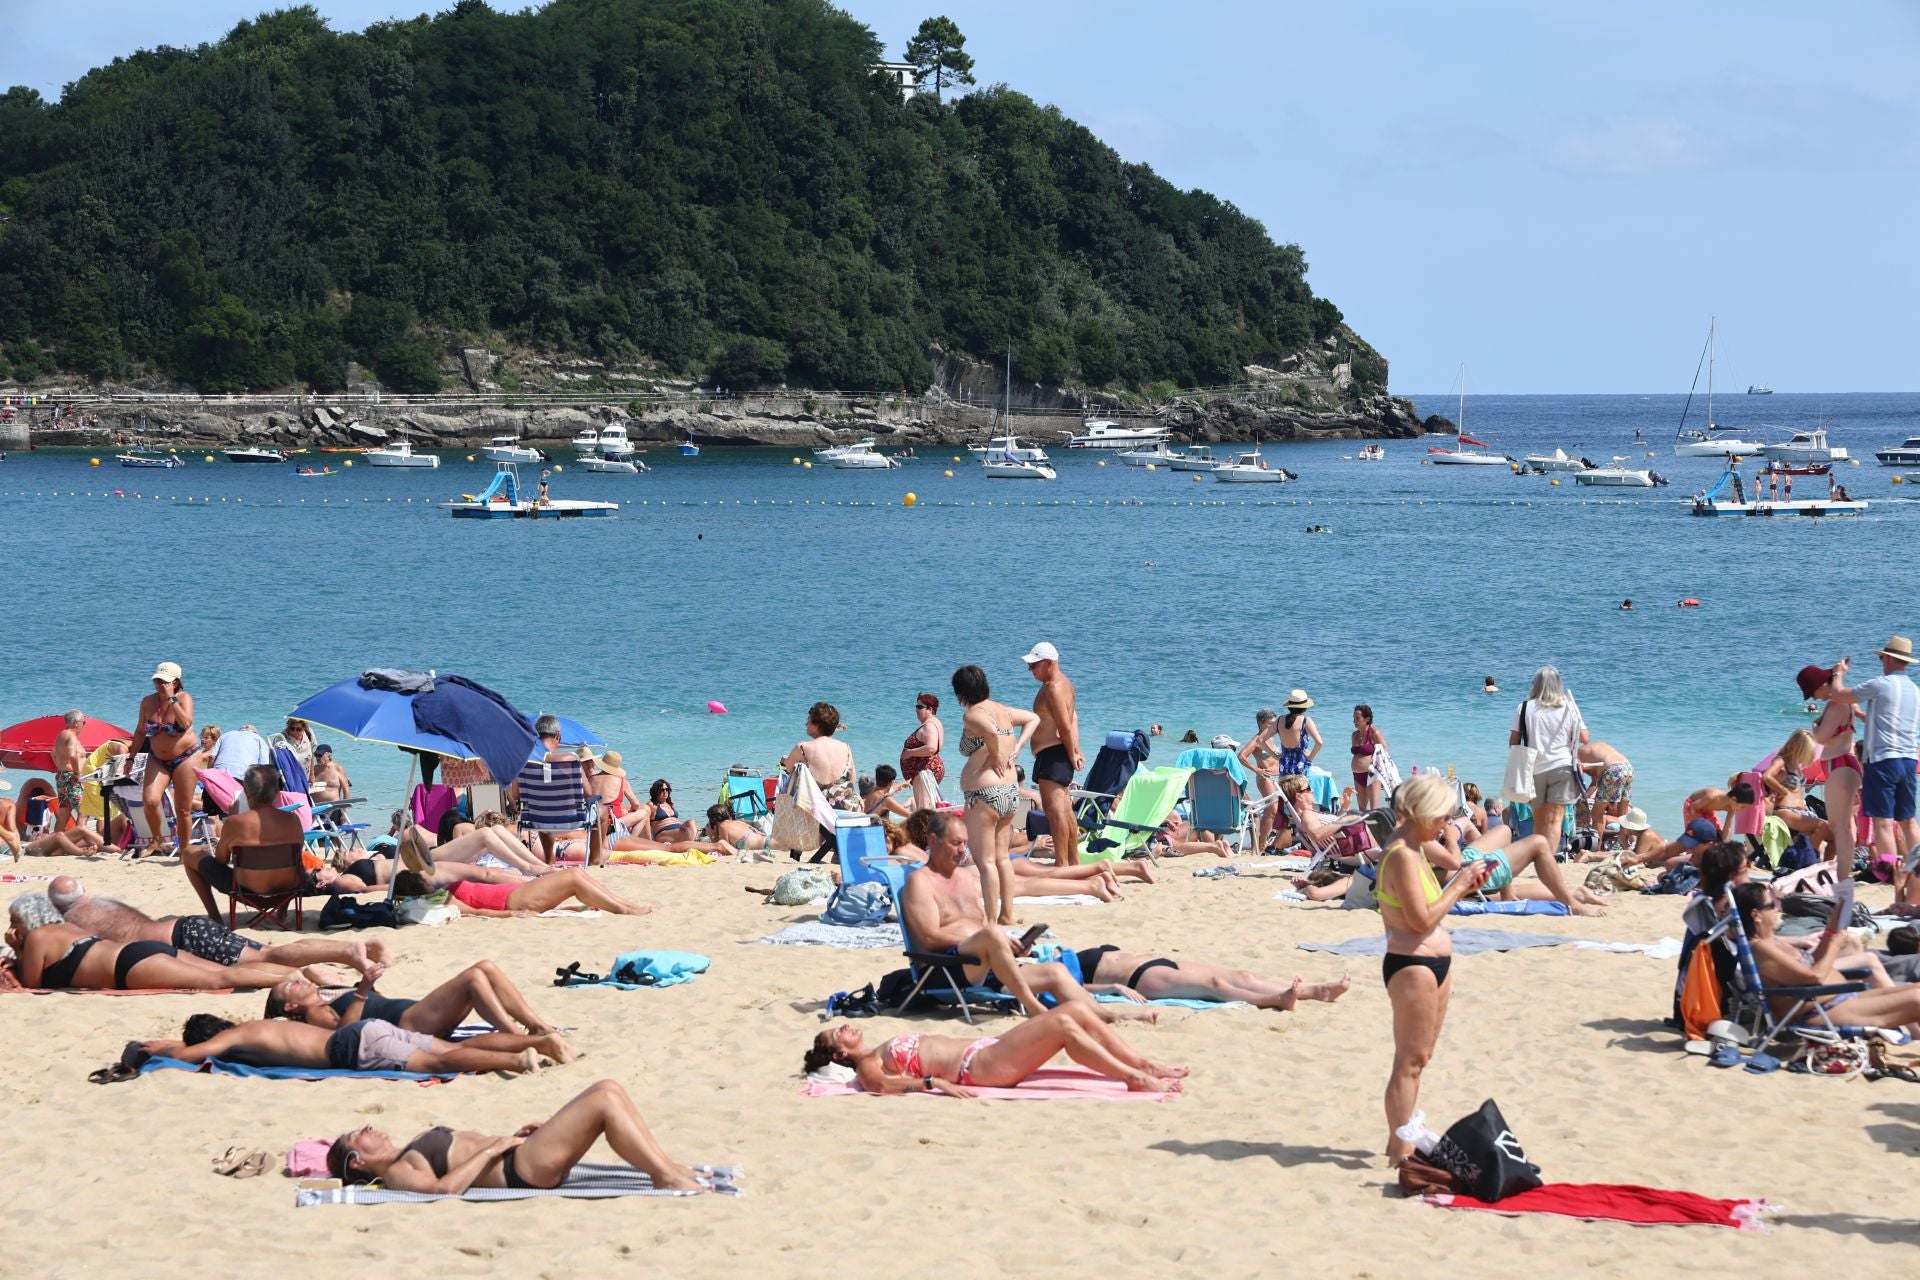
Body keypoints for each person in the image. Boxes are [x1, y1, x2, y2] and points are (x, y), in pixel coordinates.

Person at [898, 810, 1147, 1021]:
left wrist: (1009, 946)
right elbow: (929, 938)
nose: (962, 850)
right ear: (933, 841)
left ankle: (1107, 1016)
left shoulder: (964, 877)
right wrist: (989, 940)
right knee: (993, 934)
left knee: (1056, 971)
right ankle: (1035, 1008)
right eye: (956, 843)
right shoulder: (920, 882)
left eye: (965, 843)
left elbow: (983, 924)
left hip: (988, 965)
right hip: (945, 969)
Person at [1376, 773, 1497, 1166]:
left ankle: (1402, 1141)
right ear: (1424, 813)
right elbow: (1421, 920)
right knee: (1408, 1062)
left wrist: (1467, 879)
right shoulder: (1401, 854)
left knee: (1420, 1058)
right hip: (1413, 965)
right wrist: (1460, 885)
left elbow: (1442, 878)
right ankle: (1400, 1149)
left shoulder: (1415, 845)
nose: (1446, 826)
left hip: (1431, 963)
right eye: (1443, 818)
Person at [328, 1079, 707, 1193]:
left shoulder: (409, 1152)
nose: (368, 1128)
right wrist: (493, 1149)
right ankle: (664, 1176)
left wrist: (508, 1138)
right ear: (356, 1162)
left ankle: (668, 1167)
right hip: (519, 1169)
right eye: (357, 1134)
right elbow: (444, 1190)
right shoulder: (397, 1173)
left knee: (609, 1088)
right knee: (604, 1101)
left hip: (517, 1153)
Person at [805, 1006, 1186, 1096]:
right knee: (1063, 1027)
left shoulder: (879, 1048)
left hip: (986, 1049)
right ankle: (1132, 1078)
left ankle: (1144, 1063)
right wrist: (934, 1083)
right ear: (839, 1055)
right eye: (837, 1034)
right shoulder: (869, 1066)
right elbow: (883, 1086)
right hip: (978, 1067)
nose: (844, 1026)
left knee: (1074, 1010)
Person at [49, 874, 382, 973]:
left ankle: (346, 952)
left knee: (267, 955)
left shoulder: (73, 922)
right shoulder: (102, 904)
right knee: (264, 957)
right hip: (185, 928)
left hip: (185, 940)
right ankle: (325, 964)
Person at [5, 893, 298, 991]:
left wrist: (18, 947)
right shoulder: (66, 927)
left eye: (14, 921)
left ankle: (292, 979)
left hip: (129, 967)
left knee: (218, 980)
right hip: (137, 953)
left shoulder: (38, 938)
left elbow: (31, 984)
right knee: (224, 972)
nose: (11, 928)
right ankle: (299, 975)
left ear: (26, 921)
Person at [1734, 882, 1920, 1030]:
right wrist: (1834, 946)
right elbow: (1814, 977)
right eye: (1771, 905)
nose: (1777, 909)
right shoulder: (1761, 948)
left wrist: (1831, 928)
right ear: (1756, 915)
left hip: (1838, 999)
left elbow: (1813, 961)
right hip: (1820, 1011)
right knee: (1916, 999)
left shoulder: (1773, 941)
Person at [141, 1013, 569, 1076]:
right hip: (366, 1029)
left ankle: (519, 1059)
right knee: (447, 1046)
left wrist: (150, 1051)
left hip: (352, 1050)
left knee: (439, 1063)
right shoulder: (258, 1024)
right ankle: (542, 1042)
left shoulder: (232, 1039)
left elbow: (188, 1055)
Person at [1825, 636, 1919, 881]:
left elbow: (1837, 694)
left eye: (1882, 658)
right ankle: (1917, 871)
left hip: (1883, 761)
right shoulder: (1914, 690)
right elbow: (1889, 722)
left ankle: (1892, 876)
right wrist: (1860, 714)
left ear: (1887, 658)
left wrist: (1838, 673)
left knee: (1883, 822)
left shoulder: (1881, 684)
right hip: (1909, 760)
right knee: (1908, 821)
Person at [953, 664, 1039, 925]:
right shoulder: (1003, 710)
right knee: (1002, 858)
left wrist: (995, 754)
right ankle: (1006, 914)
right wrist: (1017, 747)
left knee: (986, 862)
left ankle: (990, 920)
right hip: (1009, 791)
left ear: (961, 691)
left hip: (984, 795)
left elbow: (989, 731)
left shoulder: (973, 714)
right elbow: (1033, 719)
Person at [266, 961, 559, 1037]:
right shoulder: (314, 1013)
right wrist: (363, 990)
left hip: (415, 1013)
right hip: (411, 1025)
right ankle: (515, 1037)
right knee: (473, 978)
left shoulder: (325, 994)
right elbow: (344, 1035)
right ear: (291, 1006)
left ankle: (536, 1026)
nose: (298, 981)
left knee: (485, 968)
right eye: (290, 987)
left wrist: (367, 985)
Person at [184, 764, 304, 917]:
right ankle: (282, 912)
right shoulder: (292, 820)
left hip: (246, 892)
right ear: (277, 791)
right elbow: (297, 858)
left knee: (188, 852)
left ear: (246, 791)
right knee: (290, 861)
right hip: (285, 892)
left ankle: (215, 916)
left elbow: (221, 860)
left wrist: (232, 817)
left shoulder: (235, 823)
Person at [1509, 666, 1586, 857]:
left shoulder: (1524, 707)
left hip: (1534, 769)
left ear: (1536, 684)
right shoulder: (1569, 707)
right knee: (1555, 820)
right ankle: (1548, 859)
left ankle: (1539, 858)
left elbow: (1513, 743)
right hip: (1562, 767)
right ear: (1559, 685)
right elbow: (1585, 737)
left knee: (1539, 821)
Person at [129, 661, 200, 855]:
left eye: (164, 681)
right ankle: (155, 840)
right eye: (157, 680)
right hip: (157, 758)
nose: (160, 684)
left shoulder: (184, 698)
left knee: (183, 809)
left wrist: (172, 699)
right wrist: (130, 758)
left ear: (175, 683)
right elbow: (140, 731)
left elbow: (185, 723)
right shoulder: (147, 702)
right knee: (150, 800)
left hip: (186, 758)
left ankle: (184, 850)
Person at [1025, 642, 1083, 867]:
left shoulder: (1054, 688)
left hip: (1054, 755)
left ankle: (1062, 865)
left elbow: (1065, 726)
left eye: (1034, 665)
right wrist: (1074, 749)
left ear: (1049, 663)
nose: (1030, 670)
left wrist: (1072, 753)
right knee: (1065, 812)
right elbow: (1073, 718)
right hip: (1055, 754)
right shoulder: (1062, 684)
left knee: (1056, 813)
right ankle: (1072, 864)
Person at [1800, 661, 1862, 872]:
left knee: (1838, 827)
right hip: (1844, 764)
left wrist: (1815, 725)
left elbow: (1820, 737)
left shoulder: (1836, 705)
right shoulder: (1841, 702)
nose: (1815, 698)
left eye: (1813, 693)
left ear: (1821, 685)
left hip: (1840, 764)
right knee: (1846, 824)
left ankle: (1842, 873)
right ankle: (1845, 868)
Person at [393, 867, 652, 917]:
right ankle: (624, 909)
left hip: (517, 892)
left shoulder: (441, 891)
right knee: (573, 876)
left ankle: (625, 905)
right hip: (514, 901)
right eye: (420, 878)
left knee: (578, 874)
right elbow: (475, 912)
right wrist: (511, 915)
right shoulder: (442, 898)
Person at [780, 702, 857, 863]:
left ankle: (796, 853)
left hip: (817, 812)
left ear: (817, 725)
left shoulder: (803, 747)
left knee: (794, 786)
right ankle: (838, 850)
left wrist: (785, 759)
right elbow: (852, 779)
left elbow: (788, 768)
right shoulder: (846, 747)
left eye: (808, 721)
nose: (805, 724)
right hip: (848, 808)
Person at [1760, 729, 1833, 857]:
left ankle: (1815, 862)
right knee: (1824, 826)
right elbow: (1766, 776)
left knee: (1834, 833)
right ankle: (1805, 860)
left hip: (1802, 812)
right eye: (1809, 750)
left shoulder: (1795, 765)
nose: (1810, 753)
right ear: (1800, 747)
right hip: (1786, 811)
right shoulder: (1781, 761)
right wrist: (1782, 790)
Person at [1237, 709, 1281, 854]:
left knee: (1275, 811)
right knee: (1272, 809)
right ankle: (1260, 845)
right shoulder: (1257, 739)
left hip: (1279, 777)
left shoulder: (1272, 738)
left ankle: (1263, 842)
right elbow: (1241, 756)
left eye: (1275, 724)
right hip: (1265, 778)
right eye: (1270, 723)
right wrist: (1257, 770)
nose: (1273, 727)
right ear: (1260, 723)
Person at [1576, 740, 1634, 833]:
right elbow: (1595, 783)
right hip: (1628, 767)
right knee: (1622, 815)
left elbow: (1578, 784)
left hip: (1612, 770)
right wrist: (1584, 798)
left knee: (1596, 815)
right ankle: (1623, 839)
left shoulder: (1575, 757)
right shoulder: (1593, 752)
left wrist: (1580, 801)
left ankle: (1597, 842)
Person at [899, 692, 946, 804]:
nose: (916, 710)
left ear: (930, 709)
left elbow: (931, 748)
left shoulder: (929, 726)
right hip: (926, 770)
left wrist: (910, 752)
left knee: (923, 805)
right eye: (916, 706)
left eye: (919, 707)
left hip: (925, 771)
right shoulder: (934, 723)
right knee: (925, 803)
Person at [1349, 704, 1392, 812]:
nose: (1354, 721)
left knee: (1374, 809)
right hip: (1357, 775)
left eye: (1357, 718)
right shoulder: (1354, 735)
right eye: (1354, 718)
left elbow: (1385, 754)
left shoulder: (1374, 733)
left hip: (1372, 775)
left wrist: (1385, 776)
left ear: (1367, 719)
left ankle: (1377, 823)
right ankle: (1364, 824)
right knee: (1362, 809)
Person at [51, 709, 88, 832]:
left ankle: (56, 841)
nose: (83, 725)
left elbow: (53, 753)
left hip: (63, 778)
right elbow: (72, 755)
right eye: (83, 722)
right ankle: (80, 838)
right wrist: (77, 773)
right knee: (84, 812)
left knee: (64, 815)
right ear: (76, 723)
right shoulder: (71, 737)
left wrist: (61, 767)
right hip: (72, 779)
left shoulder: (61, 735)